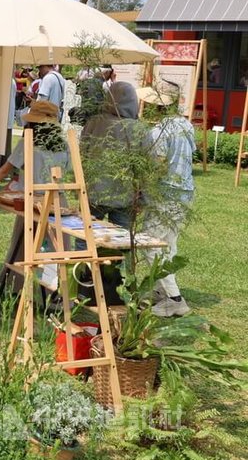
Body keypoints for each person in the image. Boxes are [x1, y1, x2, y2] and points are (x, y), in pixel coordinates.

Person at [0, 101, 70, 290]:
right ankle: (58, 294)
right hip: (58, 199)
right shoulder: (63, 143)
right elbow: (68, 170)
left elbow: (5, 170)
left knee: (21, 246)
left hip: (31, 200)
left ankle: (13, 287)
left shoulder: (29, 141)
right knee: (58, 250)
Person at [138, 86, 195, 317]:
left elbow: (158, 166)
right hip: (185, 192)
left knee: (150, 245)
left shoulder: (158, 132)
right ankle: (160, 291)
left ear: (156, 106)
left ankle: (175, 299)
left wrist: (141, 189)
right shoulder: (186, 125)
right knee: (168, 245)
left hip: (165, 195)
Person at [81, 81, 144, 228]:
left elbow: (82, 153)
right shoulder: (138, 129)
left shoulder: (94, 122)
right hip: (125, 193)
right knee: (122, 240)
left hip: (94, 190)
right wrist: (143, 196)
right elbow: (144, 166)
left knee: (85, 236)